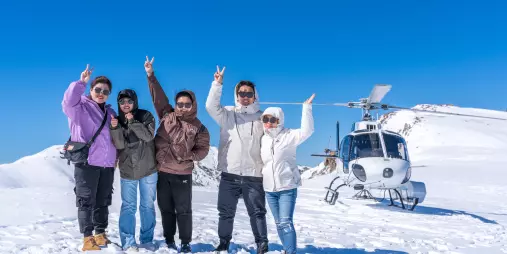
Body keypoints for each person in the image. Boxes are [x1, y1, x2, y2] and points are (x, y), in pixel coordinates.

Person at [144, 56, 210, 253]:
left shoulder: (199, 127)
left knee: (183, 210)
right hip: (162, 171)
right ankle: (169, 239)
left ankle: (185, 242)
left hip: (182, 173)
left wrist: (189, 157)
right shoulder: (167, 115)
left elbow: (203, 150)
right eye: (179, 104)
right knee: (165, 209)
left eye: (186, 104)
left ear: (193, 105)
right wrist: (150, 75)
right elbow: (159, 97)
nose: (182, 107)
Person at [205, 66, 268, 253]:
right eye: (241, 93)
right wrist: (217, 84)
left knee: (257, 213)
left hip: (253, 175)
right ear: (236, 95)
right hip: (230, 174)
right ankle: (224, 241)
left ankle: (262, 243)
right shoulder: (227, 114)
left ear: (255, 95)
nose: (245, 96)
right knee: (225, 213)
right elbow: (210, 106)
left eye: (249, 93)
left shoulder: (262, 118)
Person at [61, 65, 117, 251]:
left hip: (107, 164)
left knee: (103, 200)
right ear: (91, 90)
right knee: (86, 201)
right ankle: (87, 239)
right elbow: (68, 101)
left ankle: (100, 234)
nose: (101, 93)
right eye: (97, 90)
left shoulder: (110, 113)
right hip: (87, 162)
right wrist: (81, 83)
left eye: (105, 91)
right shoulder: (79, 107)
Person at [260, 94, 315, 254]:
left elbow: (308, 130)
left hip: (287, 187)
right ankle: (286, 249)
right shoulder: (263, 139)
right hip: (269, 189)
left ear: (280, 120)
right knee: (278, 223)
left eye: (272, 119)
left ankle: (291, 252)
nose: (268, 123)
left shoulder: (289, 135)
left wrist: (306, 108)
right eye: (265, 119)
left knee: (285, 222)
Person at [109, 89, 158, 252]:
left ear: (134, 102)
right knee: (128, 206)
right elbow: (120, 145)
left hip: (148, 169)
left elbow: (148, 136)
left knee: (147, 206)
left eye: (129, 101)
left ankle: (146, 240)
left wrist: (133, 121)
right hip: (128, 170)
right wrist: (115, 129)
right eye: (122, 102)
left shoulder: (146, 116)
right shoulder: (116, 120)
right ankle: (128, 242)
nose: (125, 105)